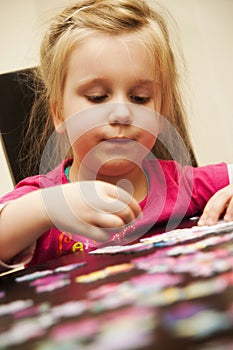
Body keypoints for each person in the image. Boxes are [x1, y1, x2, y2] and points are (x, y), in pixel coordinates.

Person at [0, 0, 233, 272]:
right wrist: (47, 208)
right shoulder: (40, 196)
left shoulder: (181, 183)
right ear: (59, 114)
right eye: (98, 97)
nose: (122, 113)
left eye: (140, 98)